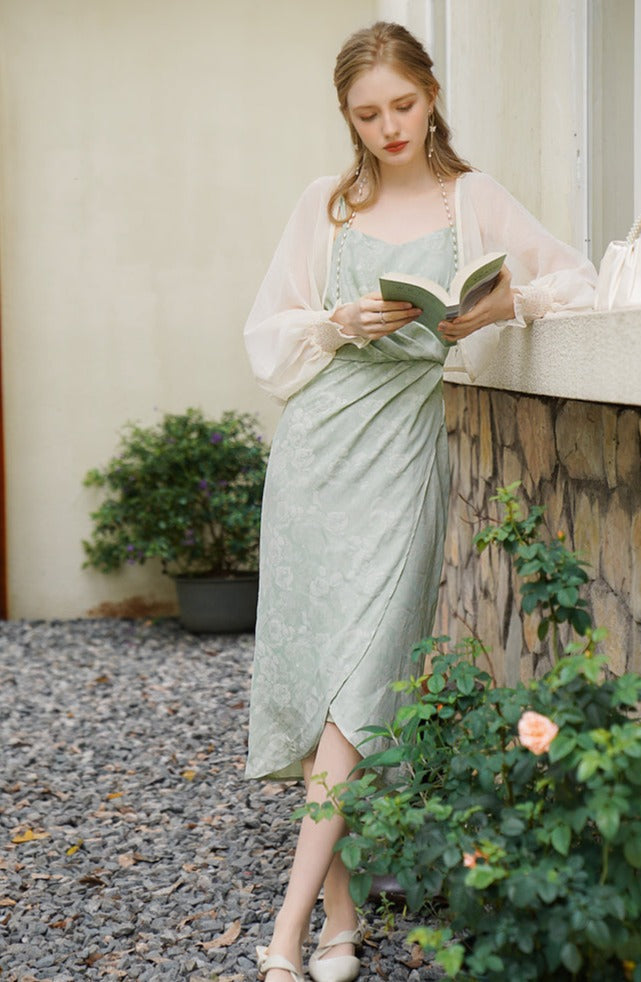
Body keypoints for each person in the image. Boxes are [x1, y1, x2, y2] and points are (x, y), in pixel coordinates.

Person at [243, 21, 596, 982]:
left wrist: (498, 306)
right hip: (316, 456)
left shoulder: (469, 196)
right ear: (347, 119)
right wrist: (334, 320)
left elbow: (574, 274)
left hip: (401, 458)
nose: (389, 126)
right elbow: (268, 337)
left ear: (430, 96)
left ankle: (283, 933)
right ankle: (339, 922)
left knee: (361, 685)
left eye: (402, 105)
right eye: (367, 114)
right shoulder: (327, 205)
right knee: (329, 690)